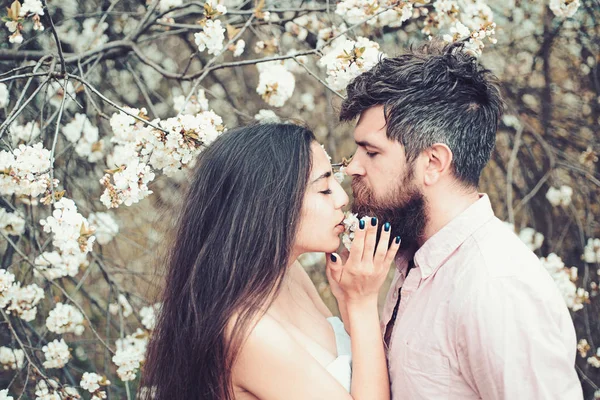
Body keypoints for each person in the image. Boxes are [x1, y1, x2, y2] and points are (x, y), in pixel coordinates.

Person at [333, 40, 583, 399]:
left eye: (371, 152)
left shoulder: (497, 288)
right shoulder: (415, 259)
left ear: (433, 163)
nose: (353, 166)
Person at [141, 123, 399, 400]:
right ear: (270, 204)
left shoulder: (289, 275)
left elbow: (357, 359)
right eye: (324, 189)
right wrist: (362, 304)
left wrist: (349, 302)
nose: (342, 198)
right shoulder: (246, 332)